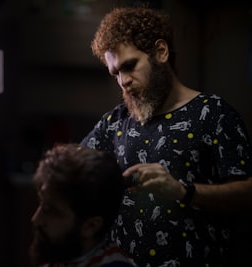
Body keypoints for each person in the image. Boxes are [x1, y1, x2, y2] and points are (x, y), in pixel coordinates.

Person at [80, 6, 252, 267]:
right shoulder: (114, 122)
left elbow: (247, 193)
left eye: (129, 66)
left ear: (161, 52)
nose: (124, 81)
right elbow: (73, 172)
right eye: (116, 73)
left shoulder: (213, 113)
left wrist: (183, 192)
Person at [29, 143, 138, 267]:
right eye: (41, 204)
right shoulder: (59, 254)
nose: (36, 219)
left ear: (90, 226)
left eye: (50, 210)